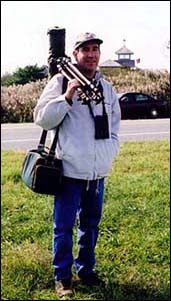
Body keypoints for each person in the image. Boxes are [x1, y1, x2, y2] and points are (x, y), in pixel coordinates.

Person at [33, 32, 121, 298]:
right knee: (63, 227)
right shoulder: (60, 82)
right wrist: (68, 96)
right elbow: (42, 119)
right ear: (75, 54)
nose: (92, 54)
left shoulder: (106, 88)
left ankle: (86, 270)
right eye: (86, 50)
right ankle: (63, 278)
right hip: (69, 171)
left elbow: (115, 124)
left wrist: (109, 152)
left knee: (91, 225)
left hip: (97, 173)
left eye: (95, 49)